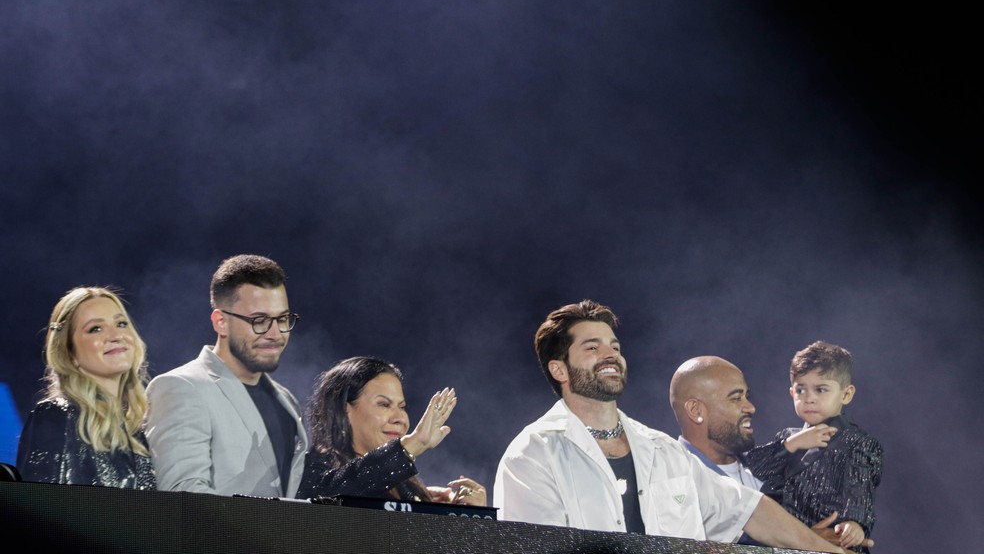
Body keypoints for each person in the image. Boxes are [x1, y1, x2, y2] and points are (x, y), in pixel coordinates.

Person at [493, 299, 849, 553]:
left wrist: (826, 551)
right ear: (560, 370)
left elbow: (747, 509)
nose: (611, 354)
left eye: (614, 346)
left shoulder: (661, 451)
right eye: (592, 347)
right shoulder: (532, 455)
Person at [669, 355, 875, 550]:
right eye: (735, 398)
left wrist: (818, 538)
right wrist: (804, 544)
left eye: (746, 396)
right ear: (696, 411)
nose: (750, 407)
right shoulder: (672, 482)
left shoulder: (771, 467)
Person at [145, 254, 308, 497]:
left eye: (282, 319)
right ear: (221, 322)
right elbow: (181, 497)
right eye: (259, 320)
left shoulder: (286, 400)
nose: (275, 334)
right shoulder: (180, 388)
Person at [745, 341, 883, 553]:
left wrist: (855, 523)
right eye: (801, 390)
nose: (809, 399)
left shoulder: (857, 442)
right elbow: (753, 470)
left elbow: (859, 487)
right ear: (792, 393)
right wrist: (791, 445)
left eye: (821, 390)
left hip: (834, 540)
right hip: (786, 542)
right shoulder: (787, 437)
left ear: (846, 394)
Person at [297, 356, 486, 505]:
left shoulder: (404, 484)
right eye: (384, 404)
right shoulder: (310, 470)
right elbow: (333, 498)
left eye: (402, 407)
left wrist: (466, 516)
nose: (400, 419)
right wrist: (415, 443)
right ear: (345, 410)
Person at [16, 286, 155, 489]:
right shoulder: (56, 415)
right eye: (95, 329)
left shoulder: (136, 430)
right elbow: (41, 511)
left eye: (121, 323)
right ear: (69, 352)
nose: (116, 335)